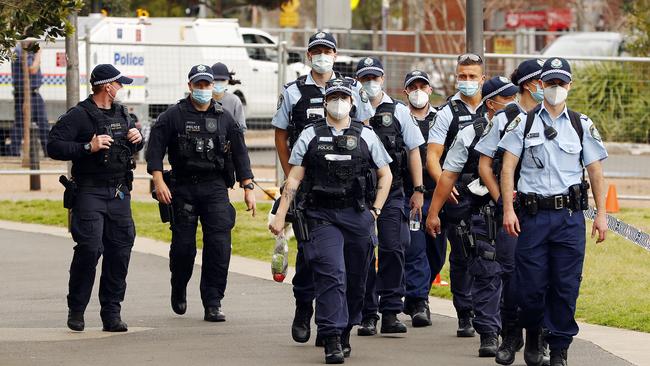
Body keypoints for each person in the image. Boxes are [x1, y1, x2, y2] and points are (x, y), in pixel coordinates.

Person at [269, 78, 392, 364]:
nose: (338, 102)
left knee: (356, 279)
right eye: (333, 96)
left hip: (358, 215)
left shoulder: (366, 135)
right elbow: (295, 177)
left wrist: (376, 210)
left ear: (352, 102)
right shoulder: (311, 134)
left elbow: (385, 174)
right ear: (325, 101)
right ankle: (332, 336)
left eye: (343, 97)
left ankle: (346, 327)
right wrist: (281, 212)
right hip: (321, 216)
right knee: (331, 274)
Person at [499, 58, 608, 366]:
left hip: (568, 218)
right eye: (551, 83)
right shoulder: (525, 123)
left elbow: (596, 171)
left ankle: (559, 348)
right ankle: (533, 330)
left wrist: (601, 213)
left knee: (565, 286)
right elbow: (508, 167)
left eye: (561, 83)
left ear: (569, 86)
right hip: (533, 217)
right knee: (530, 287)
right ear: (541, 86)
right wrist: (508, 208)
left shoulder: (580, 124)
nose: (556, 89)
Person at [271, 31, 373, 345]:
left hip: (347, 186)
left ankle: (335, 321)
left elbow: (366, 132)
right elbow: (280, 134)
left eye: (327, 50)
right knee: (310, 255)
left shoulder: (352, 88)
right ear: (308, 55)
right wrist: (292, 176)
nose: (322, 55)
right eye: (316, 50)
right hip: (310, 187)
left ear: (335, 53)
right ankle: (304, 307)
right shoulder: (294, 92)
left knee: (350, 261)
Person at [146, 64, 256, 323]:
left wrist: (248, 187)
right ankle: (179, 285)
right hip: (183, 187)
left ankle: (213, 301)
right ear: (190, 86)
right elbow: (155, 149)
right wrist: (158, 181)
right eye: (199, 85)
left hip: (215, 187)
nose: (204, 89)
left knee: (219, 247)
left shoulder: (224, 117)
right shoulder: (173, 116)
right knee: (184, 248)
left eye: (207, 85)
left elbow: (240, 153)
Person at [426, 76, 519, 358]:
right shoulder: (470, 133)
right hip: (481, 212)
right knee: (486, 269)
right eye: (508, 98)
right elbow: (448, 175)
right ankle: (488, 332)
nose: (514, 103)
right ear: (491, 104)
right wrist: (433, 212)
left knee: (514, 272)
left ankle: (514, 328)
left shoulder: (527, 128)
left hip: (517, 213)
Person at [47, 64, 144, 332]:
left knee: (120, 251)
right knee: (90, 249)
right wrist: (87, 147)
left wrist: (137, 139)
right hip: (89, 190)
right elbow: (53, 145)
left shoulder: (123, 114)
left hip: (119, 191)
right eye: (118, 84)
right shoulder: (79, 115)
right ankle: (76, 309)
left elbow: (130, 147)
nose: (120, 88)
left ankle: (111, 313)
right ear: (106, 86)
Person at [474, 59, 545, 365]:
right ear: (530, 84)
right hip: (512, 212)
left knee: (541, 278)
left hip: (543, 212)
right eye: (544, 81)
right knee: (512, 275)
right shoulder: (506, 117)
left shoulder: (553, 117)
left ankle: (536, 340)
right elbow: (484, 166)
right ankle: (511, 334)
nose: (549, 87)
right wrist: (504, 201)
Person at [354, 57, 425, 336]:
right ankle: (368, 313)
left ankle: (391, 310)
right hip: (359, 195)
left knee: (393, 248)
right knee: (362, 253)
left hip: (393, 192)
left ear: (382, 78)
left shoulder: (398, 111)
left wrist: (418, 190)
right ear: (358, 81)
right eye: (364, 79)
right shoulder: (350, 109)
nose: (370, 83)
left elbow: (414, 150)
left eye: (374, 78)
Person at [426, 53, 487, 337]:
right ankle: (465, 313)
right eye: (462, 76)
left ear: (482, 79)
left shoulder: (494, 108)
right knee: (462, 252)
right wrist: (443, 185)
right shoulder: (447, 112)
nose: (467, 81)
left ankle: (489, 312)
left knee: (489, 253)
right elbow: (433, 156)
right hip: (458, 193)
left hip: (489, 192)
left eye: (472, 76)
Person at [401, 70, 446, 327]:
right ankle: (419, 302)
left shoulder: (441, 119)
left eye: (423, 86)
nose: (418, 91)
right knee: (415, 249)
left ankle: (418, 292)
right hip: (412, 196)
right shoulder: (400, 117)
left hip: (439, 195)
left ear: (430, 89)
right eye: (413, 87)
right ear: (406, 91)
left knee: (437, 253)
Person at [10, 42, 49, 156]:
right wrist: (39, 54)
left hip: (34, 93)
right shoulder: (20, 52)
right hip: (25, 94)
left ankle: (48, 152)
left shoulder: (28, 51)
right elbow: (31, 69)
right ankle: (14, 154)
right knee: (21, 124)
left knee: (43, 124)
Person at [211, 62, 247, 132]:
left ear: (228, 81)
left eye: (222, 80)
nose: (219, 83)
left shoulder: (234, 101)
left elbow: (242, 128)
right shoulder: (204, 99)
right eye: (215, 80)